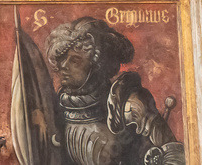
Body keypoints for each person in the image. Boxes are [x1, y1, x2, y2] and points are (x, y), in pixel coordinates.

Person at [45, 18, 185, 165]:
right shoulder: (57, 108)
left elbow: (174, 156)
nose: (63, 66)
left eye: (74, 60)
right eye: (61, 59)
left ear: (97, 64)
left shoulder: (130, 104)